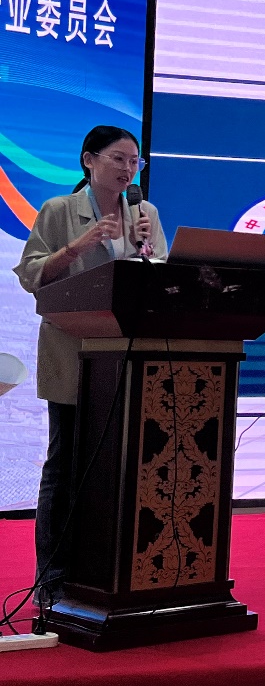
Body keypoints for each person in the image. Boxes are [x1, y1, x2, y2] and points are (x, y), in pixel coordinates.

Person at [12, 125, 167, 605]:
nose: (128, 169)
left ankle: (112, 575)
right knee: (65, 466)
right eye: (118, 158)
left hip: (128, 359)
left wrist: (145, 253)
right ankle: (52, 580)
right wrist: (79, 245)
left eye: (135, 161)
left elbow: (161, 279)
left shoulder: (145, 212)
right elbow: (31, 275)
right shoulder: (60, 210)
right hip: (73, 354)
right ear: (89, 160)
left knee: (121, 468)